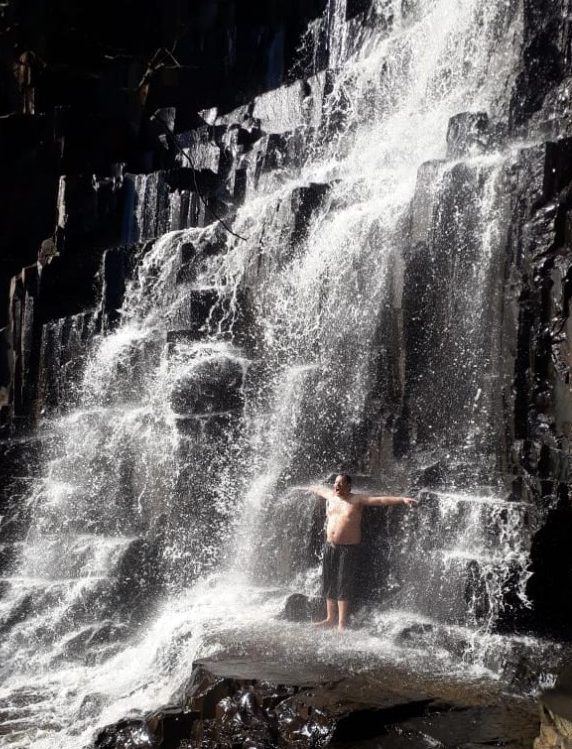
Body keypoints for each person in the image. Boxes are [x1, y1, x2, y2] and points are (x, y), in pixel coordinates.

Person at [307, 473, 418, 630]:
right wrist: (309, 488)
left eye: (340, 484)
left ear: (348, 486)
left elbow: (379, 500)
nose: (336, 486)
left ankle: (341, 623)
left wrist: (402, 499)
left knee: (342, 584)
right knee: (329, 582)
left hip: (348, 549)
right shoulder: (331, 496)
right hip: (329, 546)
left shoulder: (356, 500)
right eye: (335, 483)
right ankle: (330, 618)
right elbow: (319, 489)